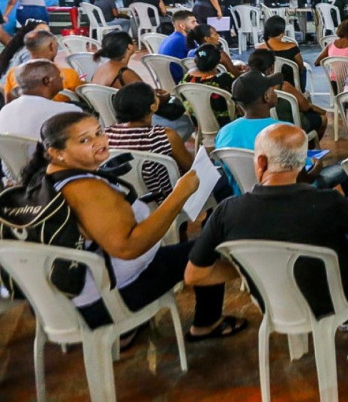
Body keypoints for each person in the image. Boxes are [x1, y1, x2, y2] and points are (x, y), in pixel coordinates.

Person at [29, 112, 245, 341]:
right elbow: (129, 247)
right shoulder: (86, 190)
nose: (99, 142)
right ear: (56, 153)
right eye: (84, 140)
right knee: (204, 253)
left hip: (59, 297)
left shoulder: (46, 178)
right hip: (100, 302)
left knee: (189, 252)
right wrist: (179, 195)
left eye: (99, 132)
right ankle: (207, 324)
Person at [186, 124, 348, 320]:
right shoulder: (329, 200)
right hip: (335, 298)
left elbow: (194, 275)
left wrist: (249, 269)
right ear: (302, 163)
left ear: (261, 162)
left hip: (272, 301)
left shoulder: (226, 212)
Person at [93, 32, 194, 140]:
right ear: (130, 46)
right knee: (186, 123)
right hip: (130, 122)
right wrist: (163, 97)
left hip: (107, 121)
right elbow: (148, 100)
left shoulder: (101, 68)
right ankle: (164, 151)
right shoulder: (124, 73)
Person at [107, 82, 194, 201]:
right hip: (168, 202)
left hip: (127, 202)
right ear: (153, 106)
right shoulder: (164, 136)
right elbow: (190, 168)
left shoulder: (106, 134)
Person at [0, 60, 72, 141]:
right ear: (47, 81)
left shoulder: (5, 111)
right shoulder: (66, 111)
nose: (61, 78)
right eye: (59, 75)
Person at [213, 70, 284, 150]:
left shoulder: (224, 133)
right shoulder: (288, 132)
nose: (275, 92)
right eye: (272, 89)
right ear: (266, 97)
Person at [2, 30, 82, 101]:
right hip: (61, 116)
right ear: (51, 46)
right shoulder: (68, 74)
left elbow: (9, 100)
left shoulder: (13, 73)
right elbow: (84, 97)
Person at [181, 44, 236, 126]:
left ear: (195, 61)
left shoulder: (187, 77)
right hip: (224, 123)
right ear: (218, 62)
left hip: (197, 121)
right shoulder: (225, 79)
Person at [258, 15, 306, 92]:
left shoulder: (259, 48)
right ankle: (301, 90)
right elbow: (300, 66)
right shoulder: (292, 47)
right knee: (304, 69)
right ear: (282, 31)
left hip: (268, 86)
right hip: (290, 86)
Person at [159, 10, 199, 80]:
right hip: (182, 80)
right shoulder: (184, 40)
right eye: (193, 22)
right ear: (182, 26)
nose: (197, 24)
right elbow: (201, 59)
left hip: (166, 80)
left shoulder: (168, 38)